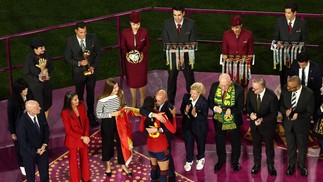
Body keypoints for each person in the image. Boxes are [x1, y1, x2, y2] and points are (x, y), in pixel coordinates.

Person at [64, 21, 102, 127]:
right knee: (79, 96)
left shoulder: (93, 38)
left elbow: (99, 53)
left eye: (85, 32)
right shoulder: (70, 41)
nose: (83, 34)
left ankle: (91, 115)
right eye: (81, 32)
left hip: (91, 72)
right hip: (78, 73)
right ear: (76, 31)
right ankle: (81, 116)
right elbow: (67, 58)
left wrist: (93, 66)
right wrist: (79, 63)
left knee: (91, 94)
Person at [208, 73, 244, 172]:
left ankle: (235, 162)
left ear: (230, 82)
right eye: (221, 85)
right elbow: (210, 101)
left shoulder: (239, 89)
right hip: (218, 120)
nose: (223, 87)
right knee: (220, 141)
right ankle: (221, 160)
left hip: (233, 121)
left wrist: (231, 111)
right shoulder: (214, 86)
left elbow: (240, 106)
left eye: (226, 85)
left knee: (235, 142)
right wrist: (215, 108)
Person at [162, 4, 197, 105]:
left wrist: (182, 50)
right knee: (171, 80)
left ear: (183, 14)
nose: (177, 18)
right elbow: (166, 42)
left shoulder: (191, 24)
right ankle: (170, 105)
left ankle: (192, 103)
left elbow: (192, 43)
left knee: (190, 81)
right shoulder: (166, 24)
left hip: (187, 59)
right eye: (175, 15)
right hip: (172, 58)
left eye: (179, 15)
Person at [96, 78, 131, 176]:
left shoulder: (120, 94)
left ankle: (123, 163)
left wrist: (125, 109)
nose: (117, 89)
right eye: (114, 88)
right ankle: (108, 164)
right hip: (108, 122)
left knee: (122, 141)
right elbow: (99, 114)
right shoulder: (102, 100)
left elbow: (123, 104)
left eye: (117, 86)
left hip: (119, 120)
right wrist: (111, 114)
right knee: (107, 142)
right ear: (108, 88)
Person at [279, 76, 314, 176]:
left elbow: (310, 111)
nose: (288, 88)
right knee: (290, 146)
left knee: (302, 147)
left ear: (298, 86)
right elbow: (280, 105)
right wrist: (285, 111)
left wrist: (299, 115)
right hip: (288, 124)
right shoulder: (285, 90)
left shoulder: (309, 94)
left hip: (302, 126)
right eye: (288, 86)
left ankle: (302, 166)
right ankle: (291, 165)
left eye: (290, 87)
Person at [139, 89, 176, 181]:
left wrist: (157, 129)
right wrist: (174, 116)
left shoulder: (146, 114)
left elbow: (141, 129)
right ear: (154, 103)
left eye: (159, 100)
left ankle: (156, 179)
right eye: (156, 100)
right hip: (161, 146)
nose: (157, 101)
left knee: (154, 168)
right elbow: (173, 130)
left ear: (165, 99)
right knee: (163, 172)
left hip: (151, 146)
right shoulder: (160, 115)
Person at [246, 77, 278, 176]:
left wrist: (262, 119)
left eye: (255, 88)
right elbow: (248, 106)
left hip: (268, 126)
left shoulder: (271, 96)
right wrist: (250, 113)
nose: (253, 90)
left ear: (262, 87)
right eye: (253, 88)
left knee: (269, 146)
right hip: (254, 126)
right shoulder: (251, 92)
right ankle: (256, 164)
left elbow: (274, 114)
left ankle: (270, 165)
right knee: (256, 146)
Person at [222, 15, 253, 107]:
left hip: (243, 65)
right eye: (233, 27)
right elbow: (224, 52)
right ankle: (229, 103)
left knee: (244, 85)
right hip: (230, 65)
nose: (235, 29)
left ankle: (243, 104)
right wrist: (228, 60)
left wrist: (245, 61)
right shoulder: (226, 34)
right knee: (229, 83)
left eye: (237, 27)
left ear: (241, 25)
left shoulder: (248, 34)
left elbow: (250, 52)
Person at [274, 2, 307, 88]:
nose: (286, 15)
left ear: (295, 13)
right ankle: (284, 95)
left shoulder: (302, 23)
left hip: (296, 57)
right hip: (282, 57)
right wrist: (278, 45)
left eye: (288, 13)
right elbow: (276, 38)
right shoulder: (279, 22)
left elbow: (304, 41)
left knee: (295, 78)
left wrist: (300, 57)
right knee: (283, 79)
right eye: (285, 12)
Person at [121, 12, 150, 107]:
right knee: (132, 83)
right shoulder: (125, 33)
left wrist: (142, 53)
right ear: (130, 23)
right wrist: (126, 54)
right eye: (134, 24)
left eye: (138, 24)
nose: (136, 26)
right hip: (130, 63)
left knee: (142, 85)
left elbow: (147, 45)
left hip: (142, 62)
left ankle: (142, 104)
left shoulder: (144, 32)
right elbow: (123, 46)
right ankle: (134, 101)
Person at [16, 100, 49, 182]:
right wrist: (35, 151)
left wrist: (44, 144)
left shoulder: (40, 113)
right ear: (30, 111)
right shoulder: (22, 123)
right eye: (37, 108)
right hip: (29, 153)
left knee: (45, 175)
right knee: (31, 178)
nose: (40, 108)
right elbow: (23, 142)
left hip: (42, 150)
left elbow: (46, 129)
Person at [61, 91, 90, 182]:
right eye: (75, 100)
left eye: (77, 98)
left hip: (84, 136)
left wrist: (86, 135)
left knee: (84, 157)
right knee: (73, 161)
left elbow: (86, 121)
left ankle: (86, 178)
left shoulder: (81, 105)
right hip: (73, 138)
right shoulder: (65, 112)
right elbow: (68, 130)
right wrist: (82, 137)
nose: (78, 101)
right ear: (69, 101)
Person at [7, 78, 33, 176]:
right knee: (20, 148)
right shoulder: (12, 101)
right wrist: (13, 132)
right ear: (18, 90)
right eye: (23, 89)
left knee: (30, 143)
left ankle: (30, 161)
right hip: (19, 129)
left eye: (26, 88)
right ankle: (22, 166)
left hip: (30, 126)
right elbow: (10, 117)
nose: (26, 90)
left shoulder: (29, 94)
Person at [180, 82, 208, 171]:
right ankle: (189, 160)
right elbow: (181, 110)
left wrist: (195, 114)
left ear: (199, 93)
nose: (191, 95)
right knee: (188, 143)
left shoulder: (204, 102)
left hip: (199, 127)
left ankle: (201, 158)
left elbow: (204, 117)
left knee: (200, 143)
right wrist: (185, 110)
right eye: (191, 92)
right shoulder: (186, 97)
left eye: (193, 94)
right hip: (187, 125)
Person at [23, 37, 53, 120]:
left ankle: (45, 124)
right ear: (35, 49)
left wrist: (47, 70)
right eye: (41, 48)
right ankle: (38, 126)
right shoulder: (29, 59)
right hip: (35, 89)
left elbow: (51, 66)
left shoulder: (47, 54)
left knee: (47, 105)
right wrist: (38, 79)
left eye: (44, 47)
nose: (44, 49)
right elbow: (26, 74)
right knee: (38, 107)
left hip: (46, 85)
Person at [289, 52, 322, 121]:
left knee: (313, 113)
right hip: (297, 94)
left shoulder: (316, 68)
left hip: (312, 95)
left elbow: (318, 85)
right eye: (299, 65)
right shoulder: (294, 65)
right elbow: (292, 78)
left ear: (308, 61)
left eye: (303, 65)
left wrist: (307, 93)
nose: (301, 67)